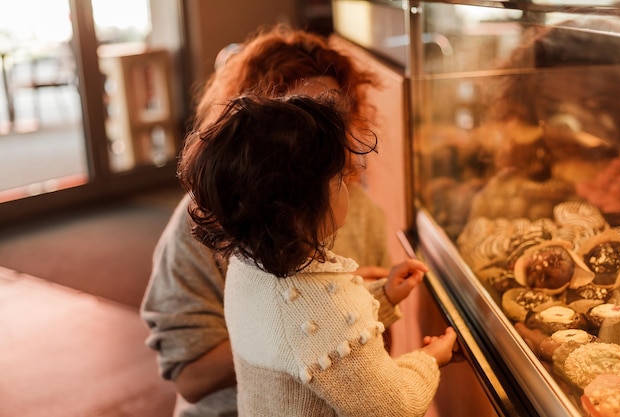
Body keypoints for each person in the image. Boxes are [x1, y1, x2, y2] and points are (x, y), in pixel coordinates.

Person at [141, 25, 396, 417]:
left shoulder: (358, 208)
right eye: (300, 114)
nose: (321, 134)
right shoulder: (208, 220)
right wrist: (318, 321)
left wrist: (371, 305)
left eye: (332, 114)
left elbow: (375, 358)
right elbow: (189, 378)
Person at [177, 92, 458, 417]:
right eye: (339, 178)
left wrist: (382, 296)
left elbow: (309, 338)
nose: (348, 185)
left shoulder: (247, 264)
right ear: (297, 207)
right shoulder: (317, 303)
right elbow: (394, 408)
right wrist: (430, 358)